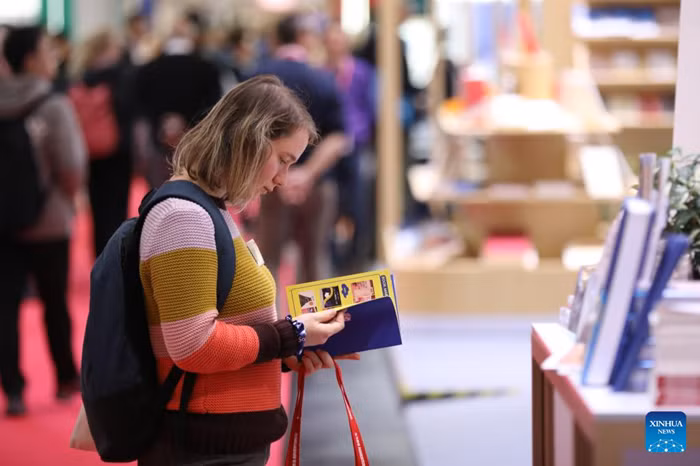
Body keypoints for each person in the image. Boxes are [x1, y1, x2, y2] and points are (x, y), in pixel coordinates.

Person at [137, 75, 358, 465]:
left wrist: (290, 347)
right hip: (203, 443)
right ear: (250, 140)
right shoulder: (185, 217)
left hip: (220, 437)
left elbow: (226, 327)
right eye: (284, 160)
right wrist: (289, 337)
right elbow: (193, 347)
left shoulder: (207, 209)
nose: (282, 179)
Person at [0, 25, 87, 416]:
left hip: (3, 220)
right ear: (32, 59)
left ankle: (13, 388)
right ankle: (66, 377)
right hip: (49, 221)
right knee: (54, 301)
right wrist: (71, 198)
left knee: (5, 306)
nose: (54, 58)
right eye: (48, 52)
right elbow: (70, 165)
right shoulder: (52, 104)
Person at [252, 13, 349, 286]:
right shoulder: (322, 79)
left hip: (268, 183)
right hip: (319, 184)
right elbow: (339, 137)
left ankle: (269, 327)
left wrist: (279, 171)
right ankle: (315, 327)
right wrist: (306, 173)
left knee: (265, 262)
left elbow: (245, 136)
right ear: (303, 37)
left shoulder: (256, 78)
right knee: (314, 262)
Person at [74, 30, 135, 258]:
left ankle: (99, 255)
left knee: (97, 208)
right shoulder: (120, 76)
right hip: (117, 151)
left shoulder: (83, 76)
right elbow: (128, 107)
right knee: (117, 206)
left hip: (90, 150)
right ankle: (115, 256)